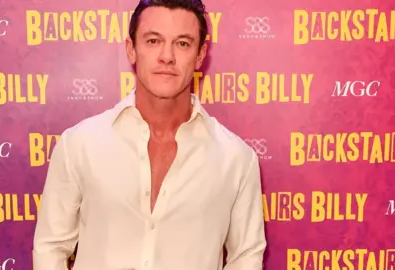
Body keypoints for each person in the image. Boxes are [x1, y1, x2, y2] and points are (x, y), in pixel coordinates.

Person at [32, 0, 267, 269]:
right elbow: (50, 247)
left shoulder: (237, 160)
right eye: (154, 41)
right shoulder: (79, 144)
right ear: (131, 49)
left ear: (200, 55)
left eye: (182, 43)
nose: (167, 56)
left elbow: (245, 259)